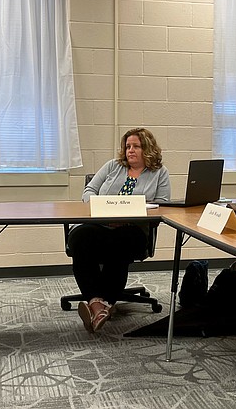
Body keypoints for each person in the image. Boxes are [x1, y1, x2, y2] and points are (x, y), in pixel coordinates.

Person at [68, 128, 170, 334]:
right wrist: (96, 206)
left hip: (133, 229)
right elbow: (89, 191)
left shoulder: (159, 173)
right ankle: (99, 305)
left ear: (147, 149)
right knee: (79, 237)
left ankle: (100, 303)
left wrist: (135, 211)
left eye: (136, 146)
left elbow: (163, 205)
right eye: (127, 146)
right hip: (100, 224)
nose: (130, 150)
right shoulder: (113, 166)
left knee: (120, 242)